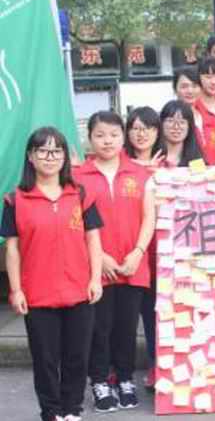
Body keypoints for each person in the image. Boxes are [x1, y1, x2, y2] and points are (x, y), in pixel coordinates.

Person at [1, 127, 103, 421]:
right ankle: (51, 412)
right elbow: (12, 249)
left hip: (79, 290)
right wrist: (16, 289)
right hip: (38, 293)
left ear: (64, 157)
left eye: (57, 151)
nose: (50, 157)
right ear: (30, 157)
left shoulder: (80, 194)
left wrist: (95, 278)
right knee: (45, 359)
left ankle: (72, 410)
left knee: (77, 356)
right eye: (43, 151)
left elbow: (93, 239)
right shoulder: (15, 200)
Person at [74, 111, 156, 413]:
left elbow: (149, 217)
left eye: (113, 135)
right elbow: (76, 223)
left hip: (133, 265)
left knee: (126, 327)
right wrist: (100, 257)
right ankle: (99, 381)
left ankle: (124, 379)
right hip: (96, 268)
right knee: (99, 328)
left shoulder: (140, 173)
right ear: (90, 138)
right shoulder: (78, 176)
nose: (107, 141)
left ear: (123, 137)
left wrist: (138, 252)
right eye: (100, 135)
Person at [123, 107, 162, 392]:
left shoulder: (167, 167)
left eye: (147, 128)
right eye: (135, 128)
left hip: (160, 252)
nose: (141, 133)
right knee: (122, 318)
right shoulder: (118, 163)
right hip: (127, 251)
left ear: (157, 132)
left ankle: (156, 367)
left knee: (154, 314)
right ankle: (116, 370)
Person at [160, 100, 207, 168]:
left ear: (189, 127)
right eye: (170, 121)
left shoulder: (196, 158)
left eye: (182, 122)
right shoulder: (153, 157)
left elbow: (200, 174)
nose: (176, 127)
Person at [172, 67, 205, 148]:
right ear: (175, 89)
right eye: (184, 87)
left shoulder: (207, 114)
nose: (190, 91)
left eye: (194, 86)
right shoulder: (170, 117)